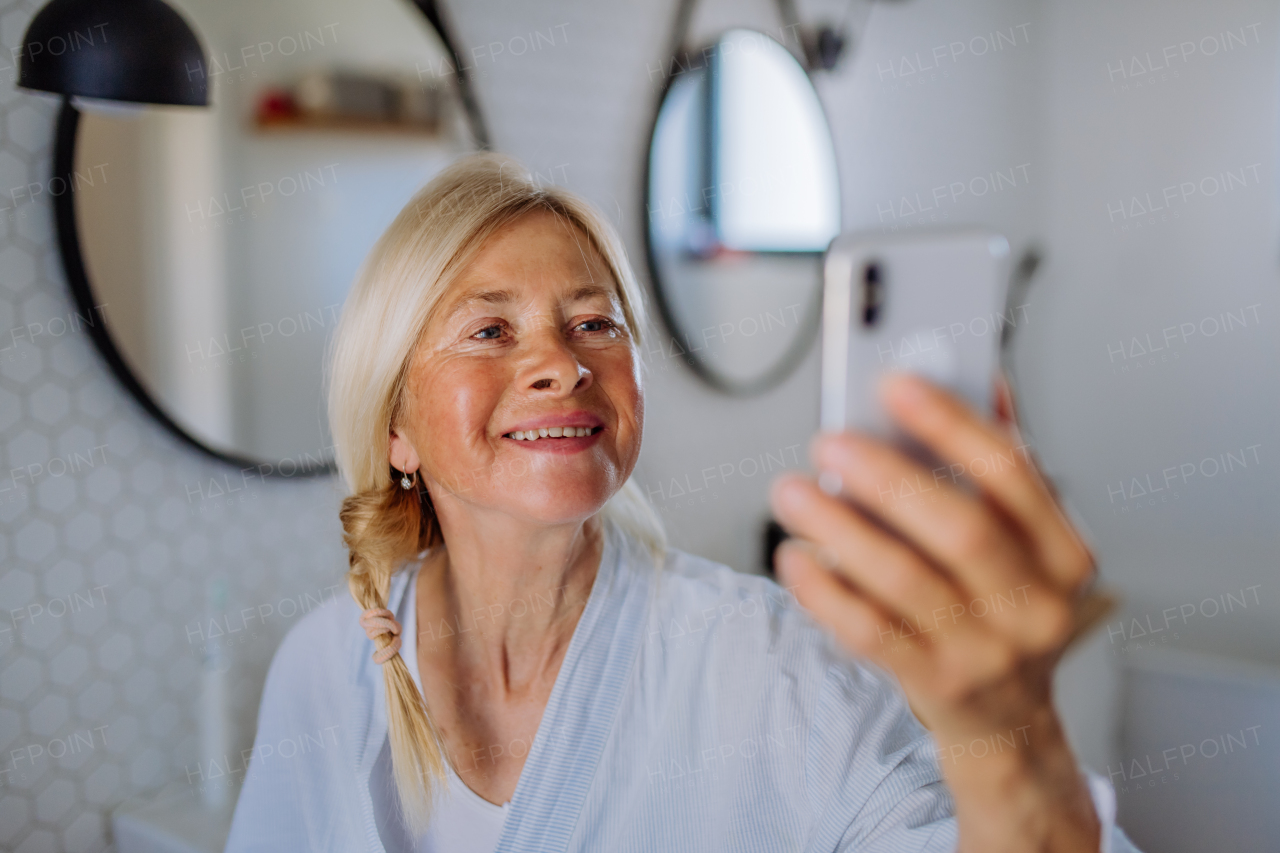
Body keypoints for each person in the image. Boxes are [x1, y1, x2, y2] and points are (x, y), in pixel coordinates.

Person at [224, 153, 1141, 852]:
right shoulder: (325, 667)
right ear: (397, 429)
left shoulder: (779, 669)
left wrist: (1007, 738)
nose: (562, 362)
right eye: (490, 329)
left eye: (595, 323)